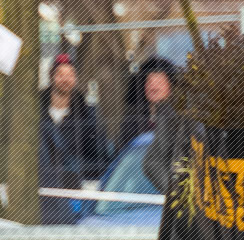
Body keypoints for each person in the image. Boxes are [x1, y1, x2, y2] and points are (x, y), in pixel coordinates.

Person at [37, 52, 110, 224]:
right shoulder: (36, 111)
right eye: (60, 74)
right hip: (41, 186)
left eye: (70, 75)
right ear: (52, 77)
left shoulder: (87, 115)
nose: (65, 79)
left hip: (74, 188)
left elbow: (98, 153)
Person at [117, 57, 177, 146]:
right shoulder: (132, 121)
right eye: (149, 82)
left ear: (170, 86)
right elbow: (125, 150)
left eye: (159, 82)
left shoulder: (180, 118)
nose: (154, 87)